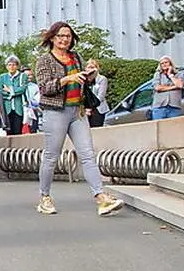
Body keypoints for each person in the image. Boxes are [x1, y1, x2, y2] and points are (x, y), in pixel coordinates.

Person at [33, 22, 125, 217]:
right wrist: (67, 79)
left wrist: (87, 77)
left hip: (78, 110)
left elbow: (82, 82)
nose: (64, 39)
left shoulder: (76, 57)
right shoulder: (44, 60)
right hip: (55, 111)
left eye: (68, 36)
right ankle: (45, 197)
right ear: (52, 38)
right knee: (51, 155)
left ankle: (100, 197)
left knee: (87, 154)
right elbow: (45, 88)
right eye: (60, 36)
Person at [0, 56, 28, 135]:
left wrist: (10, 90)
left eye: (13, 65)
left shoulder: (23, 76)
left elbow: (22, 89)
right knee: (8, 131)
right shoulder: (2, 77)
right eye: (9, 65)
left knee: (18, 130)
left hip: (18, 108)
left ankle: (18, 147)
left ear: (17, 66)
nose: (11, 67)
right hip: (7, 108)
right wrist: (10, 93)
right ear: (6, 66)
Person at [150, 56, 184, 120]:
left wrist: (170, 75)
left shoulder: (178, 74)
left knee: (173, 128)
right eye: (162, 63)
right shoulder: (157, 75)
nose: (164, 64)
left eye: (166, 62)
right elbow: (157, 88)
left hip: (174, 106)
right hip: (160, 106)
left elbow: (180, 85)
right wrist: (174, 87)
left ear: (170, 63)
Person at [87, 58, 111, 127]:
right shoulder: (85, 79)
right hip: (87, 110)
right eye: (89, 67)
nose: (91, 69)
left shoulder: (102, 79)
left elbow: (101, 96)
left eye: (93, 67)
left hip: (98, 109)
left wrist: (91, 107)